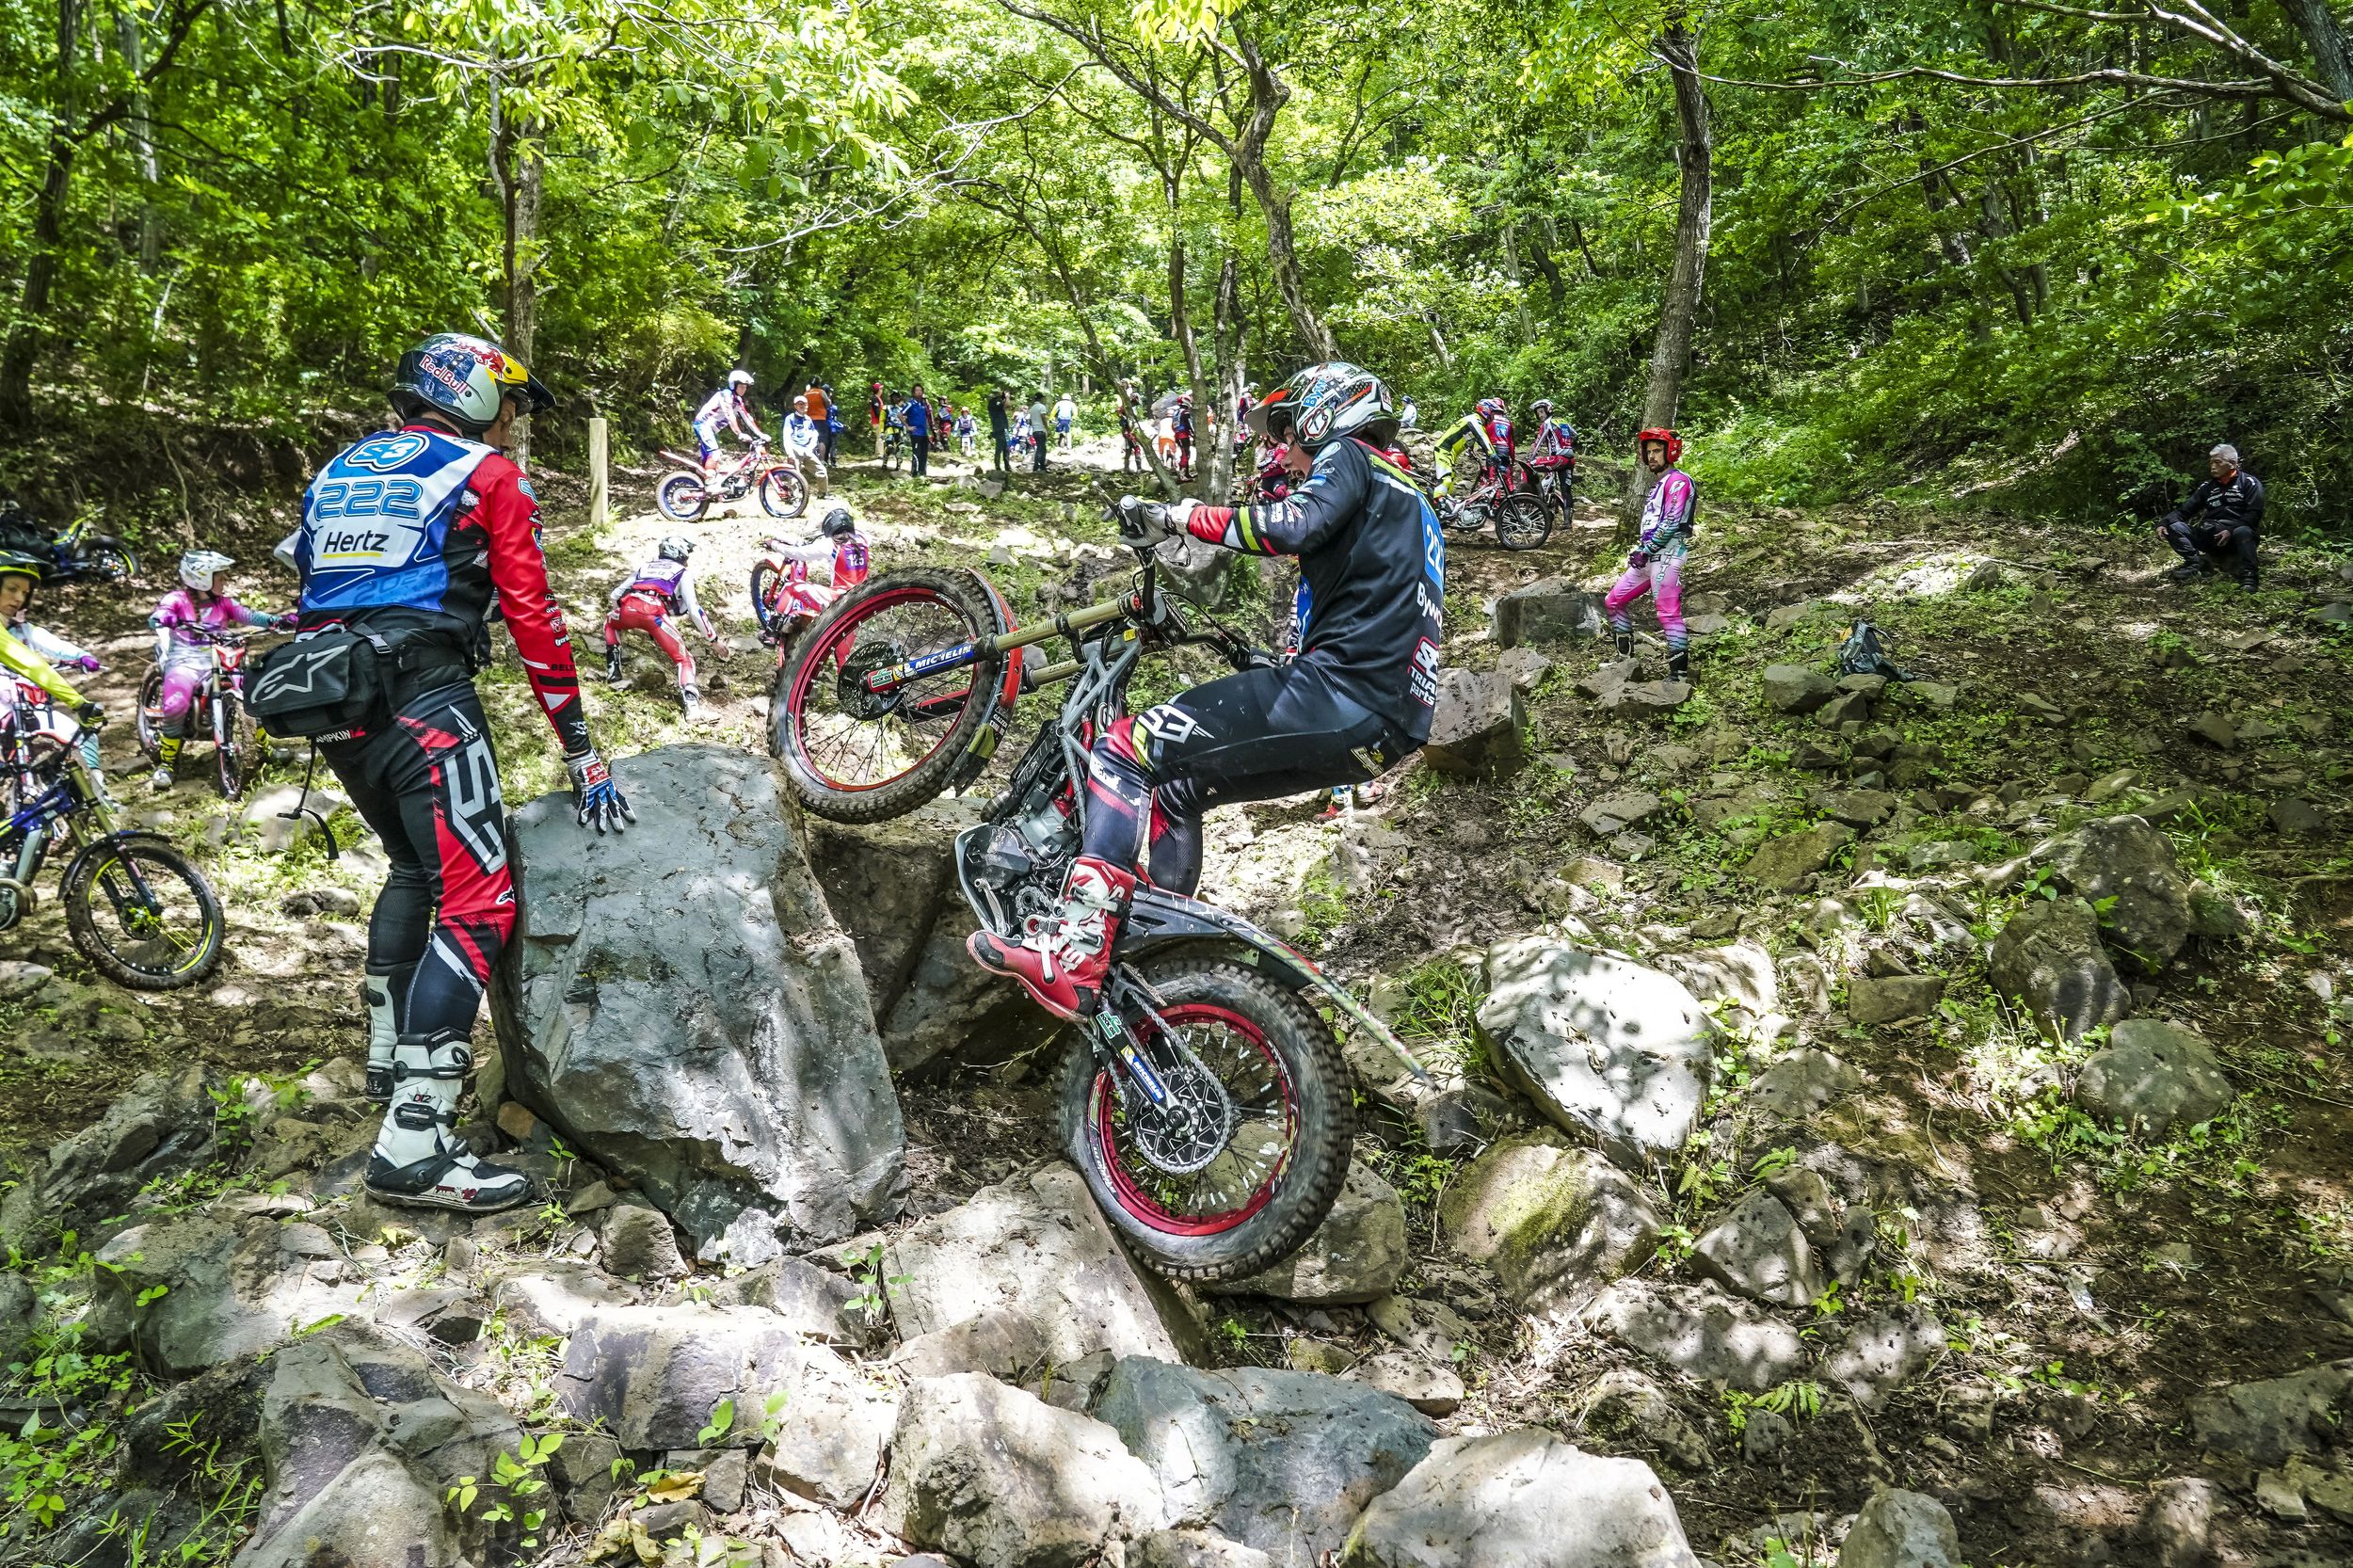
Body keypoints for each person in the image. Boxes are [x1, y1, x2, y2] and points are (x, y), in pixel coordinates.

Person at [968, 361, 1441, 1019]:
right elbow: (1372, 610)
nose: (1285, 455)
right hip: (1387, 724)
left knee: (1123, 749)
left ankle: (1075, 951)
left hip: (1342, 693)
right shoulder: (1411, 501)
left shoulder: (1351, 457)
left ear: (1326, 414)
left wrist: (1178, 515)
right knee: (1175, 790)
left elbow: (1288, 526)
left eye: (1289, 435)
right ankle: (1163, 965)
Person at [289, 330, 632, 1214]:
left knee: (413, 866)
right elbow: (533, 615)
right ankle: (413, 1144)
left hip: (334, 702)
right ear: (474, 393)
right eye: (510, 404)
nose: (513, 423)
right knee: (480, 903)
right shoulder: (485, 475)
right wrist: (581, 748)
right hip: (425, 702)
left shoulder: (336, 472)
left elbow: (315, 588)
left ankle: (386, 1057)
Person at [147, 551, 294, 790]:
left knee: (251, 695)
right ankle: (168, 763)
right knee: (175, 704)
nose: (224, 580)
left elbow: (250, 615)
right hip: (185, 661)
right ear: (201, 578)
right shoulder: (177, 599)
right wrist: (165, 617)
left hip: (221, 658)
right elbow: (160, 613)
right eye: (219, 576)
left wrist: (277, 621)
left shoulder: (224, 603)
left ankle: (262, 747)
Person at [0, 552, 107, 779]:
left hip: (23, 709)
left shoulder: (22, 629)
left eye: (25, 593)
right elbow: (29, 663)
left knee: (81, 735)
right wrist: (77, 702)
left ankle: (98, 791)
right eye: (12, 589)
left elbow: (51, 644)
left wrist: (81, 655)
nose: (19, 598)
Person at [1605, 428, 1697, 682]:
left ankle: (1678, 677)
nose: (1652, 456)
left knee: (1668, 613)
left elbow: (1671, 521)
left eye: (1657, 451)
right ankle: (1626, 663)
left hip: (1668, 553)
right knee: (1613, 601)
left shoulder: (1678, 481)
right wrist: (1644, 551)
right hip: (1649, 555)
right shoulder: (1660, 484)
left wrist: (1645, 550)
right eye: (1649, 452)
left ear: (1670, 452)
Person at [603, 536, 725, 719]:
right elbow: (694, 610)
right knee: (684, 660)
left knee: (609, 622)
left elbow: (615, 595)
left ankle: (614, 673)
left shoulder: (645, 566)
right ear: (680, 554)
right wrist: (714, 640)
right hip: (655, 616)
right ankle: (692, 708)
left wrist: (628, 619)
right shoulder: (682, 572)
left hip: (628, 609)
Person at [2161, 443, 2265, 589]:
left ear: (2232, 464)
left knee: (2243, 531)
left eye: (2217, 462)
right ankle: (2195, 563)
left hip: (2238, 538)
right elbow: (2184, 511)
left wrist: (2230, 530)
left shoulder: (2249, 483)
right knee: (2175, 527)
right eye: (2211, 463)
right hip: (2211, 536)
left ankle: (2249, 578)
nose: (2213, 467)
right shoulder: (2207, 487)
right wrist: (2164, 523)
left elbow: (2254, 514)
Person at [692, 369, 767, 483]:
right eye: (741, 386)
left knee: (713, 460)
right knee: (715, 453)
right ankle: (709, 484)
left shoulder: (738, 400)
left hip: (710, 430)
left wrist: (761, 434)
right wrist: (739, 433)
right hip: (703, 425)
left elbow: (747, 418)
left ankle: (704, 481)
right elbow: (729, 415)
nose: (743, 389)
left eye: (745, 387)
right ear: (733, 385)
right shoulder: (726, 395)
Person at [1434, 397, 1513, 497]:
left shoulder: (1478, 423)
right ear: (1486, 411)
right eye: (1492, 414)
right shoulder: (1474, 420)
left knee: (1450, 480)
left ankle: (1444, 501)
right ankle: (1438, 502)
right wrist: (1494, 456)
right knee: (1446, 480)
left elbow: (1474, 439)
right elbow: (1483, 439)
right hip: (1444, 449)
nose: (1493, 418)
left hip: (1449, 452)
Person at [781, 394, 829, 497]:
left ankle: (822, 493)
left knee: (821, 471)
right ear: (795, 406)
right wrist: (789, 453)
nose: (803, 406)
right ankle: (794, 497)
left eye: (805, 404)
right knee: (794, 475)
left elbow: (814, 434)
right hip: (794, 449)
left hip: (807, 450)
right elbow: (787, 435)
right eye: (800, 404)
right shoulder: (790, 419)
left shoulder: (808, 419)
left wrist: (811, 447)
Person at [903, 383, 933, 477]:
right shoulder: (910, 403)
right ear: (913, 392)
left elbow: (929, 416)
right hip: (915, 433)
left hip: (924, 433)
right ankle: (914, 472)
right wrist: (907, 426)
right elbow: (900, 414)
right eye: (917, 391)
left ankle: (922, 473)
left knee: (924, 453)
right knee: (917, 453)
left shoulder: (923, 404)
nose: (919, 392)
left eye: (920, 391)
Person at [804, 381, 832, 463]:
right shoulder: (821, 392)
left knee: (810, 439)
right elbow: (828, 403)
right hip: (820, 418)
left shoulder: (806, 393)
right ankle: (821, 460)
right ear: (818, 384)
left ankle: (811, 460)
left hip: (808, 419)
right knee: (822, 439)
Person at [1171, 394, 1195, 480]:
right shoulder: (1185, 413)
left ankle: (1187, 474)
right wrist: (1194, 434)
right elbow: (1190, 425)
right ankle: (1182, 475)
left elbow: (1173, 426)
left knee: (1186, 453)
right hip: (1183, 436)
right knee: (1186, 454)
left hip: (1178, 435)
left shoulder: (1175, 412)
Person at [987, 389, 1011, 473]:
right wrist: (1007, 397)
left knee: (1003, 448)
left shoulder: (992, 404)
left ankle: (1001, 466)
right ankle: (1003, 467)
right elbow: (1007, 405)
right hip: (1001, 428)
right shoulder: (996, 402)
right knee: (1003, 448)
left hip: (999, 428)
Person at [1028, 392, 1049, 472]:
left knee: (1040, 448)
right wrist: (1047, 428)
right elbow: (1043, 418)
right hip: (1041, 430)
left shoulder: (1032, 408)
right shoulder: (1041, 407)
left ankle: (1040, 465)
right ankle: (1038, 466)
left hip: (1034, 431)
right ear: (1041, 399)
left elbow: (1030, 421)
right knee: (1041, 448)